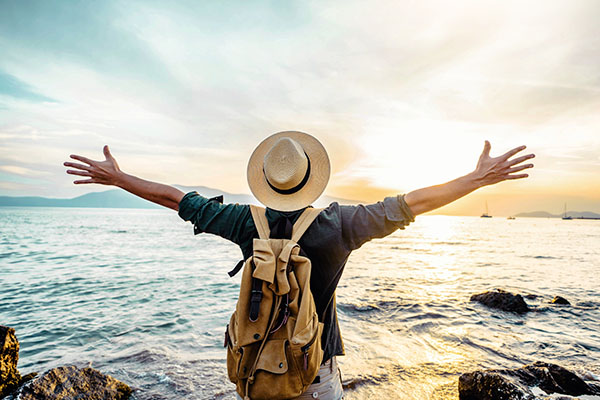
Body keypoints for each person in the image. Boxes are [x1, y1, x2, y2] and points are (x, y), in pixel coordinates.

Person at [64, 131, 534, 399]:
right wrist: (475, 179)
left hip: (257, 369)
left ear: (267, 181)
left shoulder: (243, 222)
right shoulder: (342, 224)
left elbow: (177, 199)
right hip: (316, 371)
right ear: (312, 178)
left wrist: (120, 178)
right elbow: (410, 204)